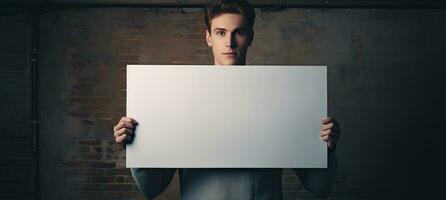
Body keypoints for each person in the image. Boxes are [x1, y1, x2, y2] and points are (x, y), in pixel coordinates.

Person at [113, 0, 341, 199]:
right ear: (208, 37)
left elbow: (318, 188)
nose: (230, 43)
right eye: (221, 32)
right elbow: (152, 188)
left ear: (250, 37)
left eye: (238, 32)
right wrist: (134, 147)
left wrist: (326, 150)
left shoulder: (280, 98)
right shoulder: (179, 99)